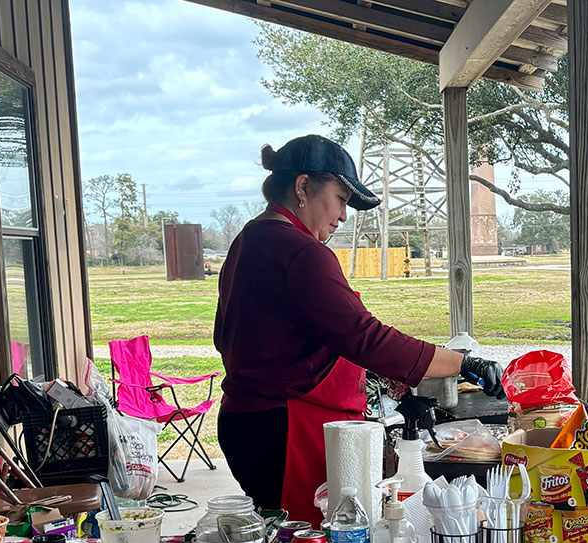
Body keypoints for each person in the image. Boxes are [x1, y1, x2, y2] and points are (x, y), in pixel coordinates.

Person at [214, 134, 505, 522]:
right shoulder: (300, 251)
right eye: (340, 199)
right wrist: (461, 363)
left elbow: (247, 337)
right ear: (303, 187)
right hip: (286, 428)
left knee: (286, 541)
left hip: (251, 421)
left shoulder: (249, 239)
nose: (343, 215)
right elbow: (364, 337)